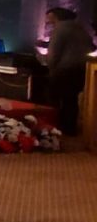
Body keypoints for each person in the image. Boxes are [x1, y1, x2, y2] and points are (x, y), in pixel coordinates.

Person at [43, 7, 95, 135]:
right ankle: (69, 128)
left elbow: (53, 54)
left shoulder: (60, 28)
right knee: (71, 100)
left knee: (55, 98)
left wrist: (50, 66)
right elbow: (92, 47)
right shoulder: (80, 28)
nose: (47, 20)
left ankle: (54, 127)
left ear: (55, 16)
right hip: (82, 69)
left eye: (49, 16)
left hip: (64, 70)